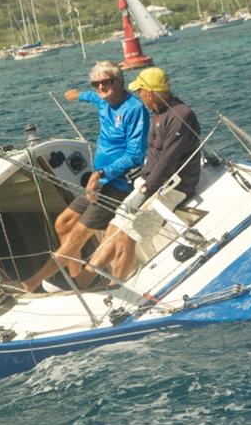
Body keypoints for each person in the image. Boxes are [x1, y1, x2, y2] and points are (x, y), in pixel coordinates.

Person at [21, 60, 149, 292]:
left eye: (106, 83)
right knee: (63, 223)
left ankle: (32, 283)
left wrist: (101, 174)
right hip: (98, 181)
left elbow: (135, 155)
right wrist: (76, 95)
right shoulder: (103, 101)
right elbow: (91, 96)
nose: (100, 88)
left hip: (117, 183)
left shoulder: (134, 109)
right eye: (96, 84)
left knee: (78, 234)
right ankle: (77, 278)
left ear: (119, 82)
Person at [75, 66, 202, 285]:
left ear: (150, 93)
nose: (139, 97)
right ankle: (82, 282)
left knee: (128, 235)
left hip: (176, 186)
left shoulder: (181, 116)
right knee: (114, 228)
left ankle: (116, 288)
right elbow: (153, 155)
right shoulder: (158, 114)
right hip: (152, 182)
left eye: (141, 92)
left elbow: (167, 161)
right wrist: (142, 179)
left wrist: (143, 191)